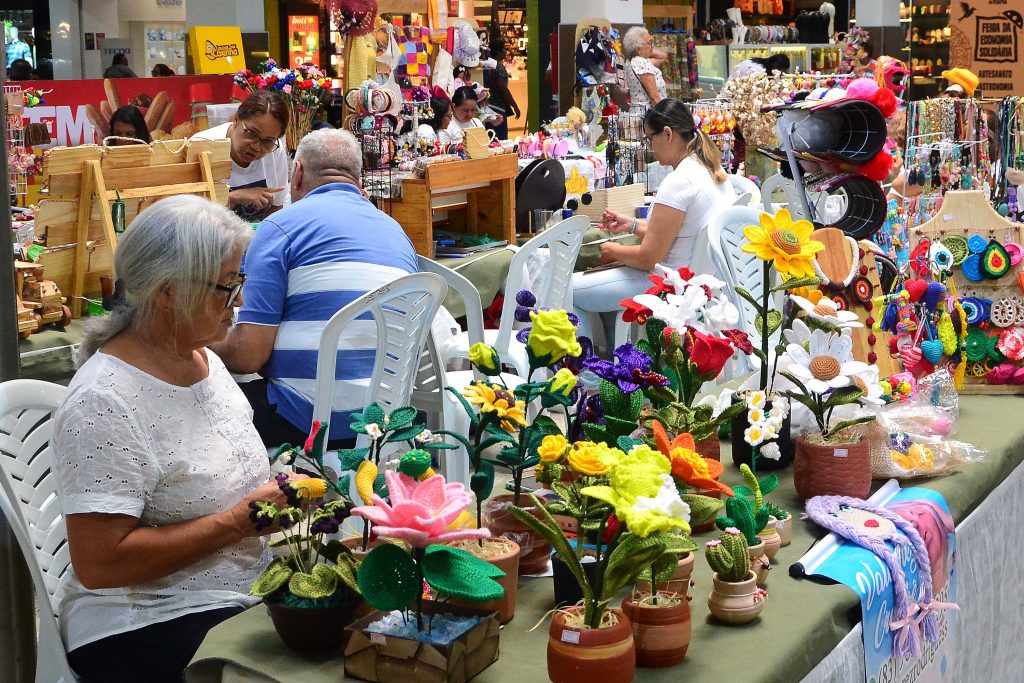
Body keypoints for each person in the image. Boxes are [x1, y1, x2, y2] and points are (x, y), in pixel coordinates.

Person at [52, 195, 302, 683]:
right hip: (144, 619)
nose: (241, 303)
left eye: (240, 284)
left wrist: (278, 500)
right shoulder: (104, 402)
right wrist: (237, 522)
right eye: (227, 290)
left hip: (235, 587)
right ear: (166, 292)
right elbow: (101, 564)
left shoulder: (200, 357)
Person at [210, 129, 418, 448]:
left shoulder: (281, 227)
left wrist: (195, 344)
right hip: (386, 418)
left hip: (304, 418)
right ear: (357, 180)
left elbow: (247, 355)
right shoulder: (396, 231)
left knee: (197, 397)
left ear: (298, 173)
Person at [572, 98, 734, 347]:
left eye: (650, 138)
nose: (650, 146)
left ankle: (586, 371)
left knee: (566, 290)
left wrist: (609, 250)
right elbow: (682, 232)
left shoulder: (680, 180)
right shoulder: (709, 170)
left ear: (667, 134)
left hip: (670, 283)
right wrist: (633, 226)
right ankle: (606, 358)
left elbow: (648, 258)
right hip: (697, 279)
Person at [192, 90, 290, 221]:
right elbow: (188, 212)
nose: (256, 147)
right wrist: (234, 197)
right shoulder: (201, 146)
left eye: (267, 142)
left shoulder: (275, 149)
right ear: (236, 119)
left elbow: (277, 206)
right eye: (251, 133)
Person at [622, 27, 668, 112]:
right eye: (650, 43)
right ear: (638, 48)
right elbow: (654, 97)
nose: (652, 46)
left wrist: (647, 47)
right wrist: (664, 115)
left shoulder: (632, 62)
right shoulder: (641, 63)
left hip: (638, 112)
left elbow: (663, 56)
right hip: (647, 114)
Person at [483, 40, 521, 140]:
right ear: (499, 52)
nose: (506, 52)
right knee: (500, 140)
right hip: (498, 108)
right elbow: (503, 89)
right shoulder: (499, 68)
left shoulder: (486, 65)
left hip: (487, 106)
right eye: (504, 49)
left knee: (490, 139)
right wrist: (515, 106)